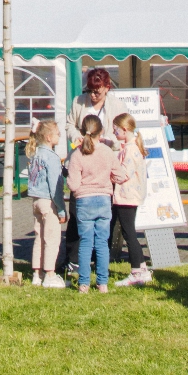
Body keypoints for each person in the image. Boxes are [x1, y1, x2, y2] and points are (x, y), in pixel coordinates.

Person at [64, 69, 127, 274]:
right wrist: (78, 137)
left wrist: (110, 143)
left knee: (104, 219)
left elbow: (123, 131)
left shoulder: (117, 105)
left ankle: (100, 261)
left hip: (104, 164)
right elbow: (69, 124)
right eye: (89, 90)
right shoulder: (78, 102)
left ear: (107, 88)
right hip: (82, 162)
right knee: (76, 214)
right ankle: (73, 259)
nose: (92, 95)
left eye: (97, 92)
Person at [67, 113, 125, 293]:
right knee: (102, 243)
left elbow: (73, 184)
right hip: (103, 200)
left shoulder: (77, 154)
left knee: (85, 242)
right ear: (101, 133)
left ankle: (84, 283)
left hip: (84, 201)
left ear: (82, 131)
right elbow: (121, 175)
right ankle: (102, 283)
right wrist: (110, 178)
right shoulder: (107, 152)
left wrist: (76, 186)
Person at [110, 113, 151, 287]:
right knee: (129, 232)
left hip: (127, 196)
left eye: (115, 130)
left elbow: (123, 174)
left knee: (129, 234)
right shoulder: (131, 147)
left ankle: (136, 271)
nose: (114, 133)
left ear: (124, 130)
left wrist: (108, 174)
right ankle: (142, 268)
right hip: (131, 196)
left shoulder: (130, 150)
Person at [26, 119, 66, 288]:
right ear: (49, 137)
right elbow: (55, 186)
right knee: (51, 238)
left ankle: (37, 273)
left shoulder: (34, 154)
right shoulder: (52, 157)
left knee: (39, 237)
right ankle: (50, 274)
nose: (60, 136)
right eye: (57, 133)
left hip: (35, 200)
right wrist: (62, 210)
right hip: (49, 202)